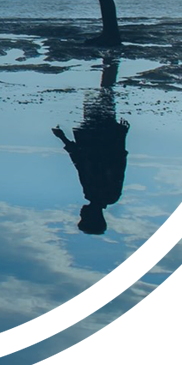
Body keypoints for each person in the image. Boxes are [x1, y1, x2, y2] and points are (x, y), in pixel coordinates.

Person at [52, 56, 129, 235]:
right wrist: (121, 135)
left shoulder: (92, 193)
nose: (80, 213)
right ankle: (109, 63)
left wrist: (63, 139)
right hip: (102, 136)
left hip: (95, 136)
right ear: (94, 217)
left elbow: (80, 162)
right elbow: (118, 162)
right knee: (105, 95)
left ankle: (108, 64)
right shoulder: (108, 195)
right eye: (83, 218)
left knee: (99, 96)